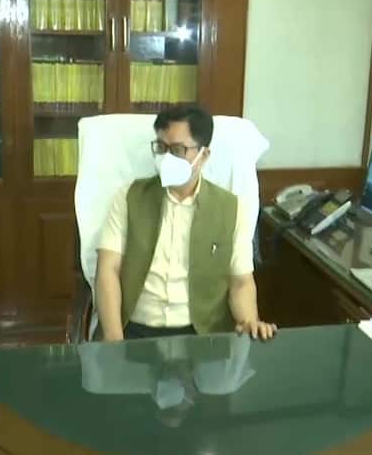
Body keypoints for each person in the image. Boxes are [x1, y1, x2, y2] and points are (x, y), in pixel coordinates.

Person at [95, 105, 276, 341]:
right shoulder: (129, 197)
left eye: (178, 150)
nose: (166, 158)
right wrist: (114, 340)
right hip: (135, 330)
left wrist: (249, 321)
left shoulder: (232, 209)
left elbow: (240, 282)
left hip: (203, 336)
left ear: (204, 155)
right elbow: (108, 269)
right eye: (161, 147)